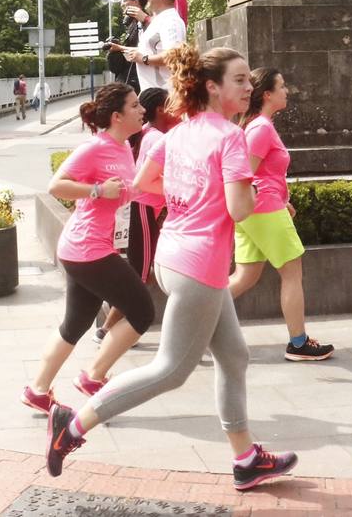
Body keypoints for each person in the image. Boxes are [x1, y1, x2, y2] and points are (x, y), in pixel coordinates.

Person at [46, 45, 299, 492]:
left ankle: (245, 459)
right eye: (239, 80)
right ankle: (73, 424)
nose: (248, 88)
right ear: (212, 86)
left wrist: (191, 197)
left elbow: (144, 185)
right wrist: (267, 195)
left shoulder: (179, 132)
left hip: (174, 255)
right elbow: (240, 210)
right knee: (171, 371)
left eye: (249, 80)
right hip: (199, 264)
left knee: (234, 356)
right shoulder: (230, 136)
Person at [21, 83, 154, 414]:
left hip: (86, 248)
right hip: (88, 248)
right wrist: (96, 190)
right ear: (116, 116)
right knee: (142, 311)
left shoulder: (124, 148)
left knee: (75, 324)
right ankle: (94, 376)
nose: (142, 110)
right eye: (135, 105)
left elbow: (132, 190)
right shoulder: (95, 148)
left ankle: (38, 391)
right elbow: (56, 185)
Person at [229, 69, 334, 361]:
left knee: (245, 277)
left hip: (258, 210)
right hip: (263, 210)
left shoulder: (257, 126)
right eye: (282, 86)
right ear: (267, 95)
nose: (287, 91)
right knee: (291, 272)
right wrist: (272, 200)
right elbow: (244, 174)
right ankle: (298, 343)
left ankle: (195, 318)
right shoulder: (260, 128)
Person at [97, 86, 175, 341]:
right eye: (174, 103)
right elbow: (147, 178)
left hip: (144, 210)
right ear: (162, 109)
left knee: (143, 275)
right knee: (139, 277)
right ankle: (106, 331)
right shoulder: (155, 138)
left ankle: (112, 328)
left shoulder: (150, 134)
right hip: (142, 209)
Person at [123, 0, 186, 92]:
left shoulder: (171, 21)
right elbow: (154, 50)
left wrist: (143, 58)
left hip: (164, 94)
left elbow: (173, 56)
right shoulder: (159, 20)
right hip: (153, 94)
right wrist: (121, 49)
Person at [106, 0, 146, 93]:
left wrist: (119, 48)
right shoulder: (131, 24)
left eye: (125, 1)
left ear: (136, 2)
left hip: (137, 80)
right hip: (130, 78)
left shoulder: (143, 24)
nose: (121, 4)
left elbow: (144, 50)